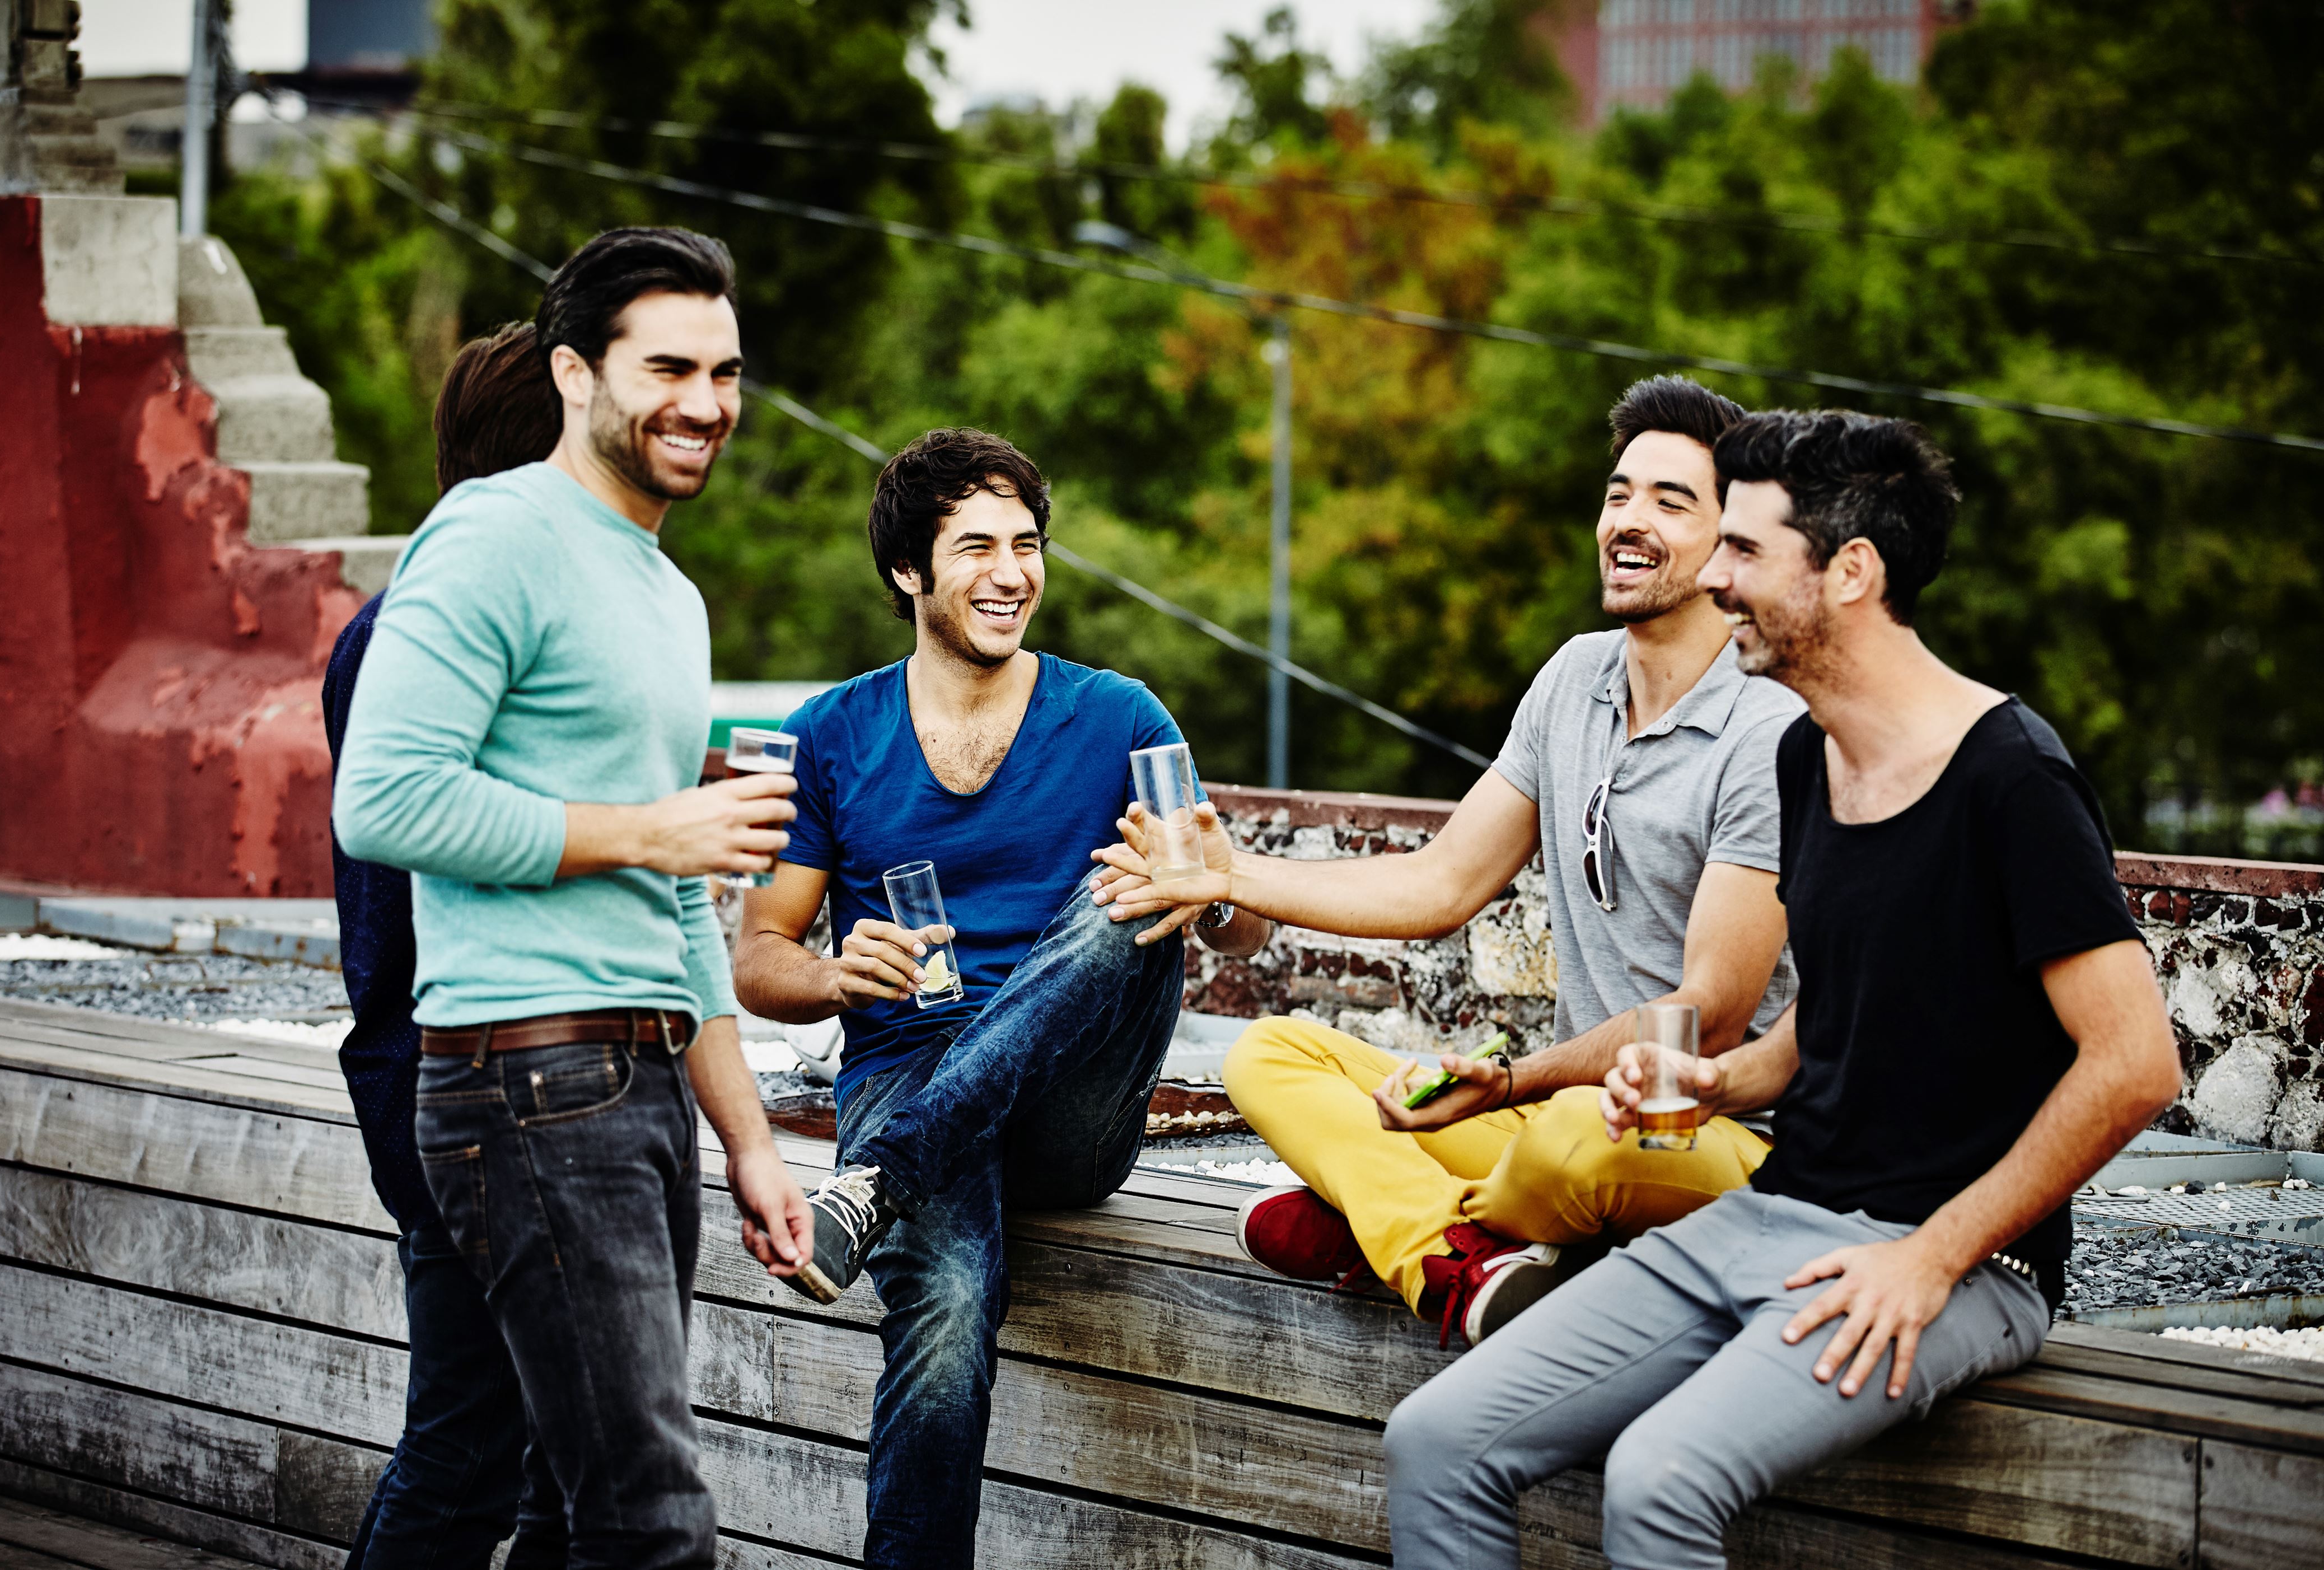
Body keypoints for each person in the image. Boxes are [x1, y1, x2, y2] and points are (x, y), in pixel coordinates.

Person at [1380, 409, 2182, 1570]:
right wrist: (1713, 1079)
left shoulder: (2013, 778)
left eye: (1745, 551)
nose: (1715, 577)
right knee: (1439, 1437)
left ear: (1851, 571)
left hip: (1963, 1264)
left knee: (1659, 1483)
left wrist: (1931, 1256)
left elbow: (2134, 1063)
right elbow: (1834, 1020)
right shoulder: (1808, 756)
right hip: (1774, 1212)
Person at [1092, 376, 1804, 1347]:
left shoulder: (1768, 729)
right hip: (1552, 1112)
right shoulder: (1573, 680)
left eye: (1670, 503)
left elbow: (1707, 1018)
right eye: (1618, 494)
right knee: (1274, 1055)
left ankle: (1383, 1220)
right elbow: (1440, 883)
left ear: (1731, 545)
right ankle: (1454, 1263)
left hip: (1701, 1134)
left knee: (1565, 1147)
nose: (1628, 522)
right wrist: (1233, 875)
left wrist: (1512, 1081)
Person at [333, 227, 814, 1570]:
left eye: (724, 372)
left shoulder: (670, 594)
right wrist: (650, 826)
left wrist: (754, 1141)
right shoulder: (494, 532)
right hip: (530, 1079)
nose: (705, 402)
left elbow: (677, 912)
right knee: (650, 1522)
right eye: (668, 365)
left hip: (640, 1081)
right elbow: (383, 800)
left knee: (560, 1507)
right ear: (572, 373)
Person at [733, 427, 1272, 1567]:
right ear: (906, 571)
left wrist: (1212, 889)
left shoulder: (1122, 715)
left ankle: (881, 1180)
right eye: (975, 545)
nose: (1012, 572)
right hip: (902, 1062)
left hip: (1068, 1111)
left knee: (1129, 891)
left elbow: (1229, 916)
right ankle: (907, 1169)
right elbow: (759, 957)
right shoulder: (829, 736)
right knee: (944, 1325)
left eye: (1027, 544)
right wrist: (837, 971)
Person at [325, 321, 560, 1568]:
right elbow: (411, 902)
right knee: (468, 1455)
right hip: (456, 1089)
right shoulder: (423, 631)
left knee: (536, 1467)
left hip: (475, 1089)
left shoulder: (425, 615)